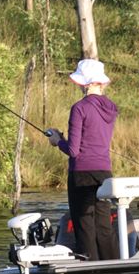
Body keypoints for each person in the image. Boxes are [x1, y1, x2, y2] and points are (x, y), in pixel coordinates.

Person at [46, 59, 119, 261]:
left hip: (81, 174)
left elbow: (74, 150)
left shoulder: (79, 108)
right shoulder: (112, 108)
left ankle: (90, 269)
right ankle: (114, 266)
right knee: (104, 226)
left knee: (84, 224)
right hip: (104, 173)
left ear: (85, 83)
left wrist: (57, 141)